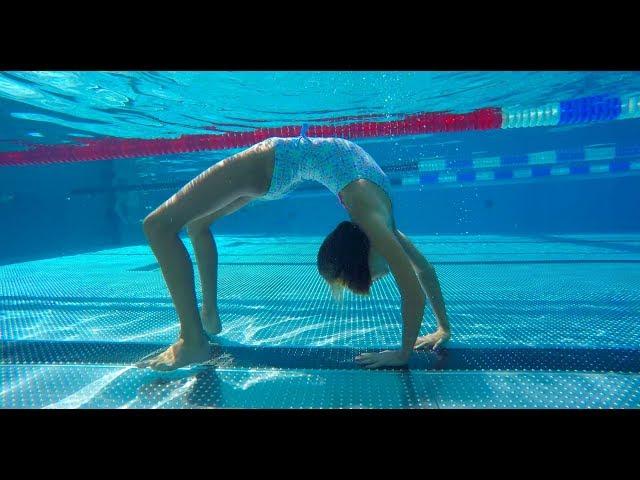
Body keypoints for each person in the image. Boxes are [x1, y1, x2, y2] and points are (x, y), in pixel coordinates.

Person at [137, 131, 450, 371]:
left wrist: (434, 333)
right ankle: (206, 322)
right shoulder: (374, 218)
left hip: (275, 166)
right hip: (270, 166)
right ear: (362, 253)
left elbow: (420, 273)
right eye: (377, 271)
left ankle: (193, 340)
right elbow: (415, 286)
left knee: (162, 226)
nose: (387, 271)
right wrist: (410, 348)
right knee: (173, 226)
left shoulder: (380, 220)